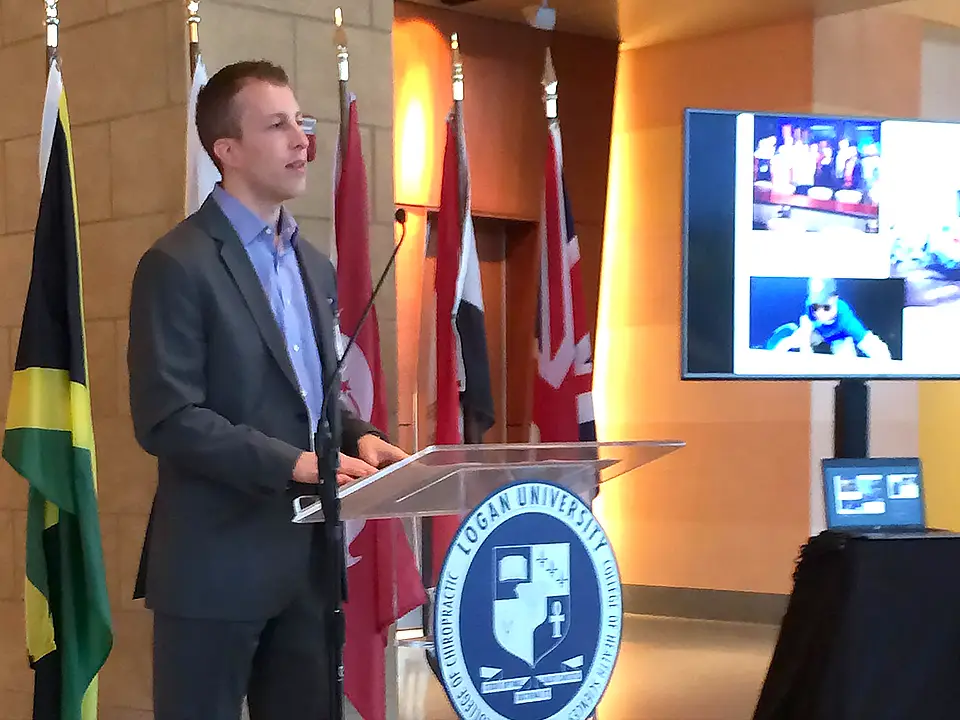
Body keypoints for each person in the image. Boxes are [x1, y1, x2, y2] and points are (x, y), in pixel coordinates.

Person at [127, 60, 407, 720]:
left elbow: (311, 396)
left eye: (301, 123)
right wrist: (294, 464)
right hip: (214, 568)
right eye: (278, 125)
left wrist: (359, 436)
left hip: (308, 571)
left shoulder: (314, 266)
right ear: (226, 150)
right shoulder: (176, 263)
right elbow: (168, 417)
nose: (302, 141)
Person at [772, 278, 892, 359]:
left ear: (834, 299)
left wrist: (886, 361)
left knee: (846, 359)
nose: (820, 313)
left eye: (826, 307)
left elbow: (871, 344)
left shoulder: (846, 320)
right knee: (791, 342)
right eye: (815, 307)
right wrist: (805, 350)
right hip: (818, 332)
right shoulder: (810, 308)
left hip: (840, 336)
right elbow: (806, 328)